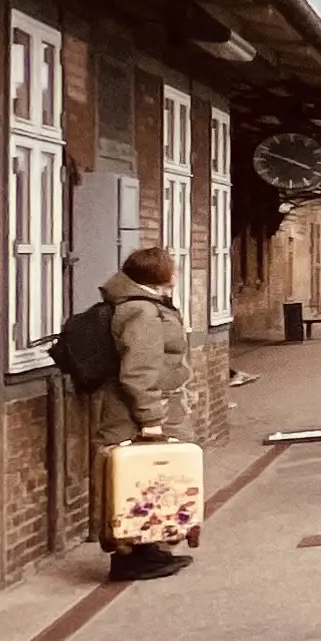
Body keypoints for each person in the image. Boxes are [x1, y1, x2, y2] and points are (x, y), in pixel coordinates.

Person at [91, 241, 196, 582]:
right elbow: (138, 371)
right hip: (138, 414)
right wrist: (151, 420)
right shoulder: (142, 312)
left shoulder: (145, 305)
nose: (176, 274)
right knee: (139, 482)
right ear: (161, 275)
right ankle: (132, 558)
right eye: (173, 268)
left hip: (147, 407)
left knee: (154, 483)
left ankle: (150, 550)